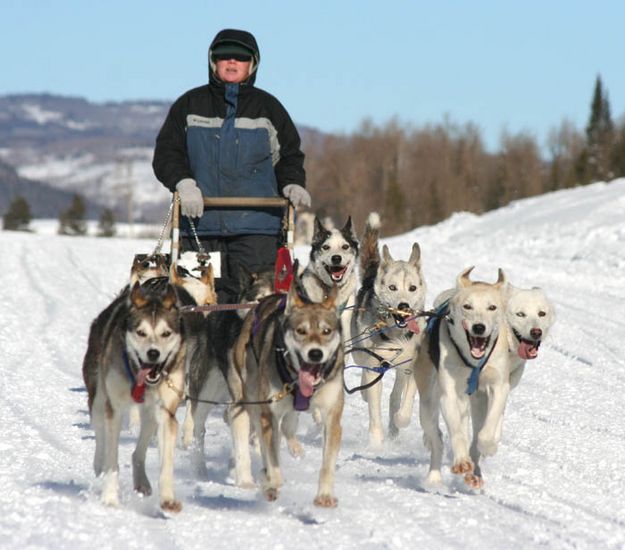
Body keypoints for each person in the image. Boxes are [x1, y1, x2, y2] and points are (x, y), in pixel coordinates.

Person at [152, 28, 309, 300]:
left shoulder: (269, 108)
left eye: (240, 57)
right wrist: (184, 184)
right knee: (198, 310)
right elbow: (167, 153)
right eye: (225, 56)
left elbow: (289, 157)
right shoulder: (189, 105)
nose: (232, 62)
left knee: (256, 309)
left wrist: (292, 183)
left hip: (257, 230)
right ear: (213, 61)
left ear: (253, 63)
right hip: (200, 227)